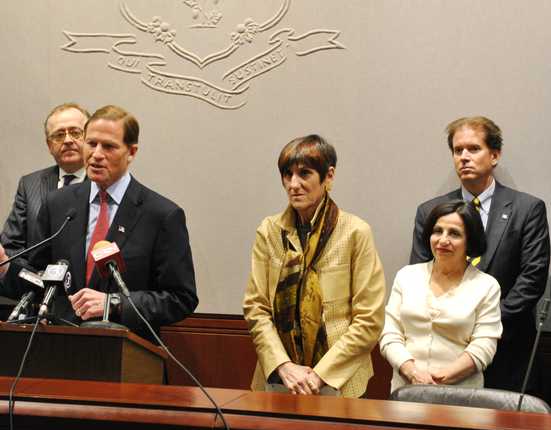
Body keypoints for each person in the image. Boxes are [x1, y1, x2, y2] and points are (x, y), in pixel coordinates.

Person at [1, 105, 198, 341]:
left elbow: (180, 298)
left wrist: (113, 304)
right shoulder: (58, 204)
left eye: (109, 146)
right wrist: (6, 268)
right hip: (58, 347)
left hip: (126, 355)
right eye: (91, 143)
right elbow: (39, 282)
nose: (96, 154)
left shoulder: (161, 214)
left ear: (131, 152)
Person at [410, 116, 549, 392]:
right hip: (442, 352)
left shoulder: (527, 209)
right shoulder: (430, 212)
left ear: (494, 155)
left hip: (507, 348)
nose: (464, 157)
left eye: (473, 149)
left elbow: (532, 278)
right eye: (457, 150)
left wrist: (485, 324)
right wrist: (455, 322)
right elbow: (420, 274)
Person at [244, 134, 385, 398]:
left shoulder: (355, 232)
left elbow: (369, 319)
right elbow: (256, 308)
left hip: (341, 381)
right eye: (287, 175)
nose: (293, 184)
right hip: (280, 379)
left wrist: (319, 375)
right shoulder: (269, 231)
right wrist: (284, 367)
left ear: (328, 176)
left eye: (304, 174)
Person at [382, 201, 502, 393]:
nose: (443, 240)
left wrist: (440, 379)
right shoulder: (406, 276)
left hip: (461, 396)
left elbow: (484, 345)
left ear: (470, 241)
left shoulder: (486, 286)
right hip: (406, 390)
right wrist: (412, 372)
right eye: (437, 231)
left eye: (454, 233)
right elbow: (390, 335)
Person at [1, 103, 90, 258]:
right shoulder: (30, 185)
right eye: (59, 135)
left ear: (90, 138)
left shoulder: (104, 184)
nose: (68, 140)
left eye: (76, 133)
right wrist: (34, 278)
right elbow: (11, 246)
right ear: (49, 145)